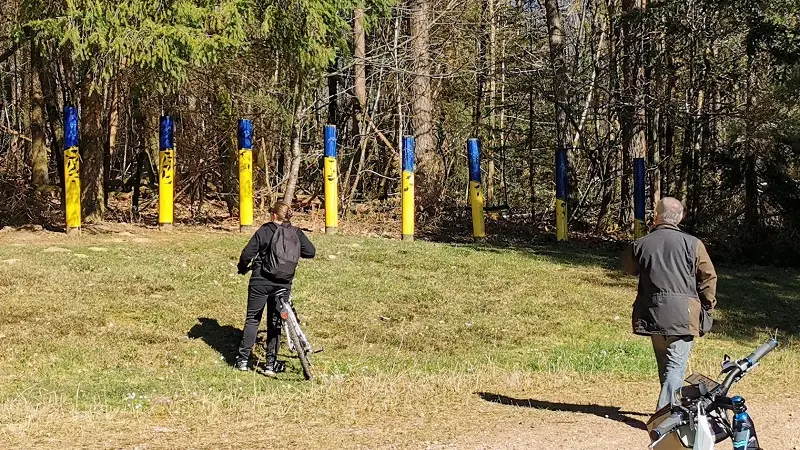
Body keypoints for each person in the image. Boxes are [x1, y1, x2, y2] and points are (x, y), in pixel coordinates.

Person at [622, 197, 717, 410]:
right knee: (674, 367)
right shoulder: (694, 244)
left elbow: (628, 267)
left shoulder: (640, 244)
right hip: (684, 315)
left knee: (665, 366)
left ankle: (669, 410)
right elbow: (708, 277)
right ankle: (665, 417)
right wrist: (707, 305)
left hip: (653, 314)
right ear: (680, 217)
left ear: (656, 216)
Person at [235, 201, 316, 375]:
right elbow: (310, 252)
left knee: (253, 319)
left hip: (260, 281)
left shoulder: (264, 230)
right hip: (283, 284)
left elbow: (247, 254)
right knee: (275, 323)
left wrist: (242, 267)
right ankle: (270, 365)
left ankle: (242, 361)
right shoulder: (295, 232)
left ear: (273, 215)